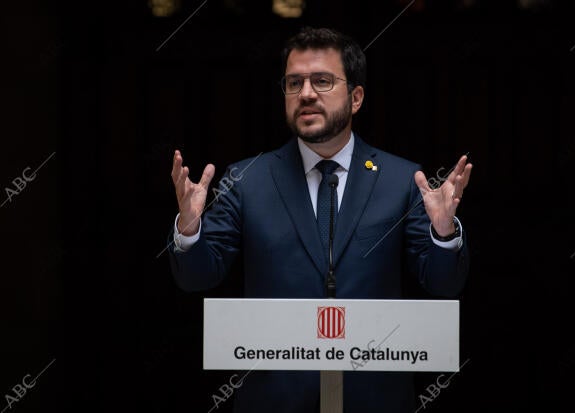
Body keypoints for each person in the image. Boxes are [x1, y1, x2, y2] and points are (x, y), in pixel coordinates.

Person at [168, 26, 472, 413]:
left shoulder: (402, 181)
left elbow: (444, 285)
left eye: (322, 81)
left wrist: (444, 233)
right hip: (275, 401)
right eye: (294, 83)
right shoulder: (247, 180)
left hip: (374, 400)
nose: (306, 93)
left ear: (356, 97)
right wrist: (190, 229)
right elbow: (197, 277)